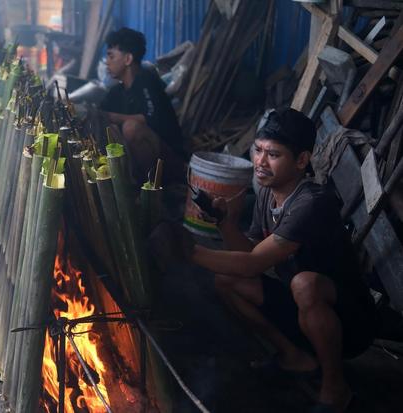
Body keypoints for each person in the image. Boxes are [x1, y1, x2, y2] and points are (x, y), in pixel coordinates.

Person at [189, 108, 376, 413]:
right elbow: (251, 254)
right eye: (258, 150)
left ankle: (335, 388)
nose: (260, 162)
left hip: (350, 322)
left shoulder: (311, 204)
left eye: (273, 154)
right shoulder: (266, 190)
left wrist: (189, 251)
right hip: (300, 306)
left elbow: (253, 265)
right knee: (226, 279)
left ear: (301, 161)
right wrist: (224, 222)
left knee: (305, 284)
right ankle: (296, 358)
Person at [100, 27, 185, 183]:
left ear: (128, 59)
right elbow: (100, 113)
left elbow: (152, 119)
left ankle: (152, 190)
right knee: (109, 129)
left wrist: (112, 117)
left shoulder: (148, 81)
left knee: (131, 128)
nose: (107, 62)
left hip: (171, 162)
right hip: (148, 161)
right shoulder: (117, 91)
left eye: (111, 56)